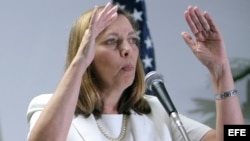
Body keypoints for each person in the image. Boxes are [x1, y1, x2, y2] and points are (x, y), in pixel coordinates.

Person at [26, 2, 245, 141]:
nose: (127, 50)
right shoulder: (47, 107)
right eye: (112, 41)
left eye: (133, 40)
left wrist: (221, 71)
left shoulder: (157, 112)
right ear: (86, 51)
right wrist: (79, 62)